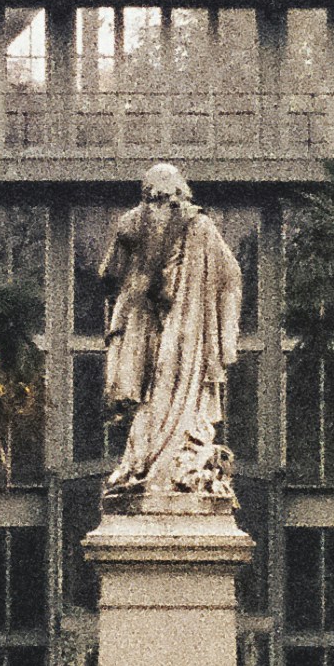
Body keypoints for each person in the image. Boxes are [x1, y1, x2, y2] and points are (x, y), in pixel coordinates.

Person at [91, 161, 244, 517]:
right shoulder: (189, 225)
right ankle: (153, 465)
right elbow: (231, 275)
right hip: (168, 336)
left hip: (179, 335)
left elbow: (106, 275)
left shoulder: (158, 223)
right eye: (153, 199)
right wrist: (224, 336)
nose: (157, 207)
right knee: (158, 398)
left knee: (159, 399)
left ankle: (157, 466)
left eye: (158, 198)